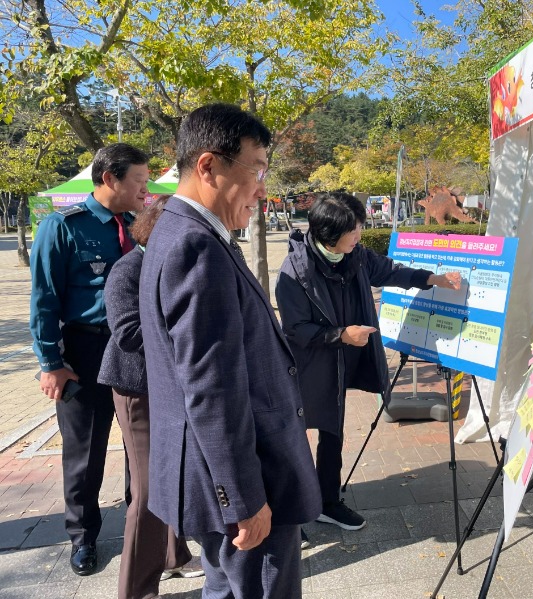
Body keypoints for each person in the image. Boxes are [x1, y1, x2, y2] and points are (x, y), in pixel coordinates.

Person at [139, 103, 321, 599]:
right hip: (243, 480)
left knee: (225, 588)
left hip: (217, 473)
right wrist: (243, 498)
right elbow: (211, 388)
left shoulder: (177, 230)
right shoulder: (195, 246)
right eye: (257, 170)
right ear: (208, 166)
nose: (263, 188)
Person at [275, 192, 461, 534]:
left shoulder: (356, 256)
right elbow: (296, 329)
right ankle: (293, 512)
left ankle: (327, 502)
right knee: (296, 435)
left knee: (332, 430)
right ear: (329, 233)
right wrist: (341, 335)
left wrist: (433, 279)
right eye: (353, 229)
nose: (359, 234)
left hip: (342, 358)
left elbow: (390, 271)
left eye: (359, 226)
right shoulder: (296, 270)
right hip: (307, 363)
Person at [29, 143, 149, 576]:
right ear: (110, 178)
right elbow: (44, 300)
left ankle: (142, 530)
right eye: (139, 181)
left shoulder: (138, 226)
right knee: (84, 453)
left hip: (134, 350)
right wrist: (50, 363)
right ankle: (83, 538)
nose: (146, 190)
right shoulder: (63, 227)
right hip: (84, 350)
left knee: (141, 448)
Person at [97, 197, 203, 599]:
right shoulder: (128, 269)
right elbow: (128, 333)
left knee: (171, 475)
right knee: (146, 489)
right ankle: (137, 589)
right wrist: (191, 330)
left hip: (171, 385)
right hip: (136, 387)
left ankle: (174, 555)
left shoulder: (175, 265)